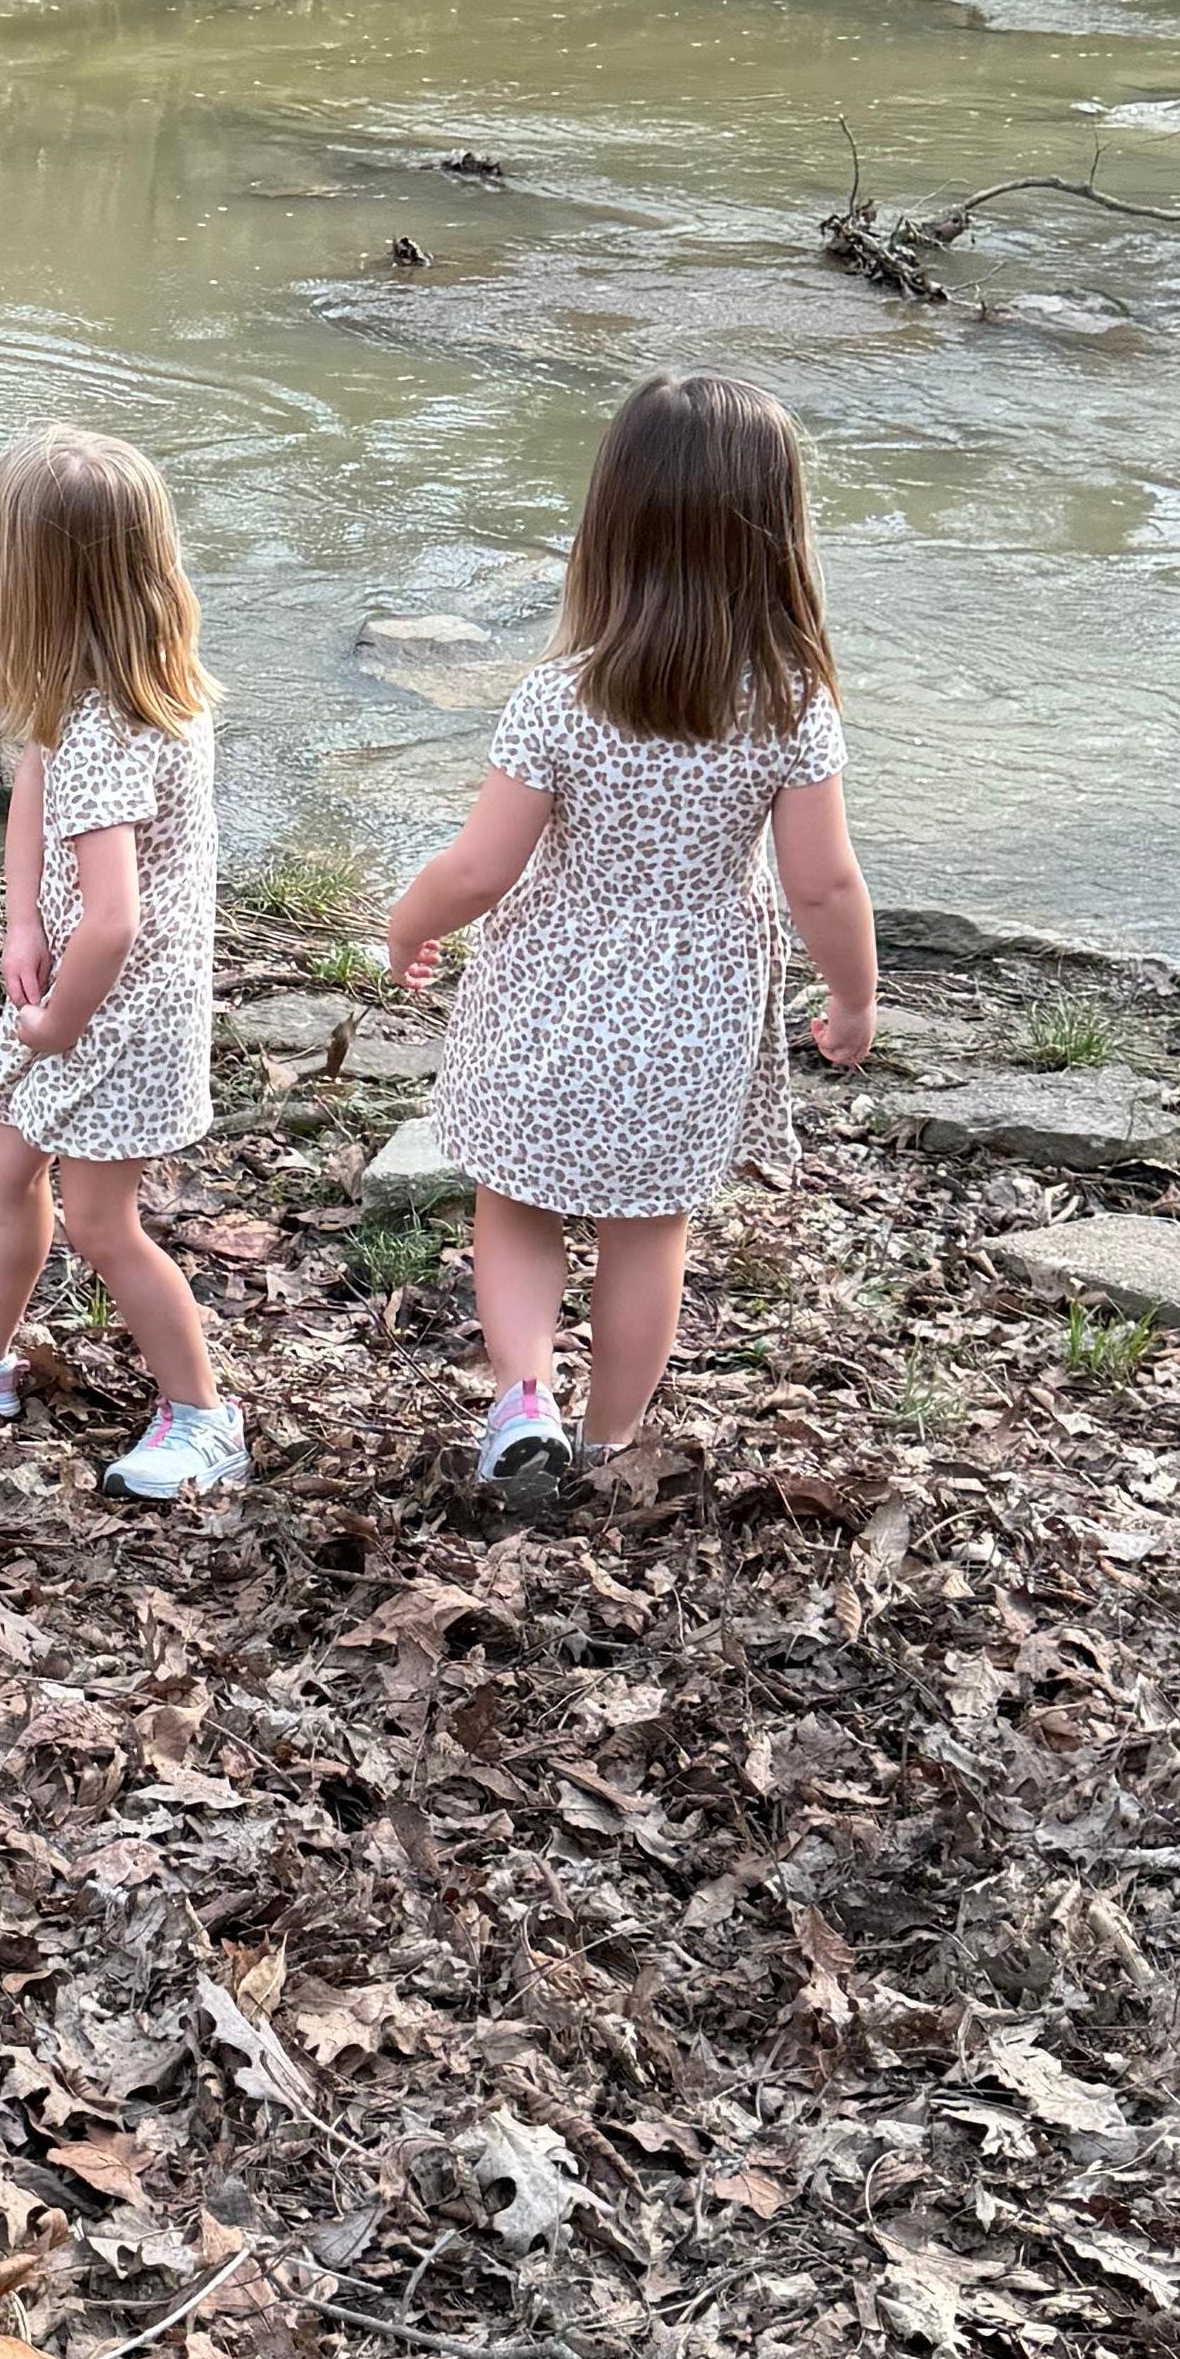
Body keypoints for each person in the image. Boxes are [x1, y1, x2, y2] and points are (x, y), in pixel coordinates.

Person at [382, 368, 877, 1511]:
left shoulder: (561, 696)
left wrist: (409, 923)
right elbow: (824, 882)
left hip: (551, 994)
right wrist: (852, 997)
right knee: (648, 1237)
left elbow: (478, 868)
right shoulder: (790, 701)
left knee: (514, 1200)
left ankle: (522, 1401)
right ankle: (608, 1445)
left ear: (611, 522)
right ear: (777, 537)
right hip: (694, 1013)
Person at [0, 424, 246, 1506]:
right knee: (6, 1161)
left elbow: (118, 920)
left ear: (31, 582)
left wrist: (57, 1025)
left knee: (100, 1219)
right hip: (76, 982)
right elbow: (32, 775)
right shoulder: (103, 690)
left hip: (116, 1008)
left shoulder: (110, 729)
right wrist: (21, 920)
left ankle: (205, 1417)